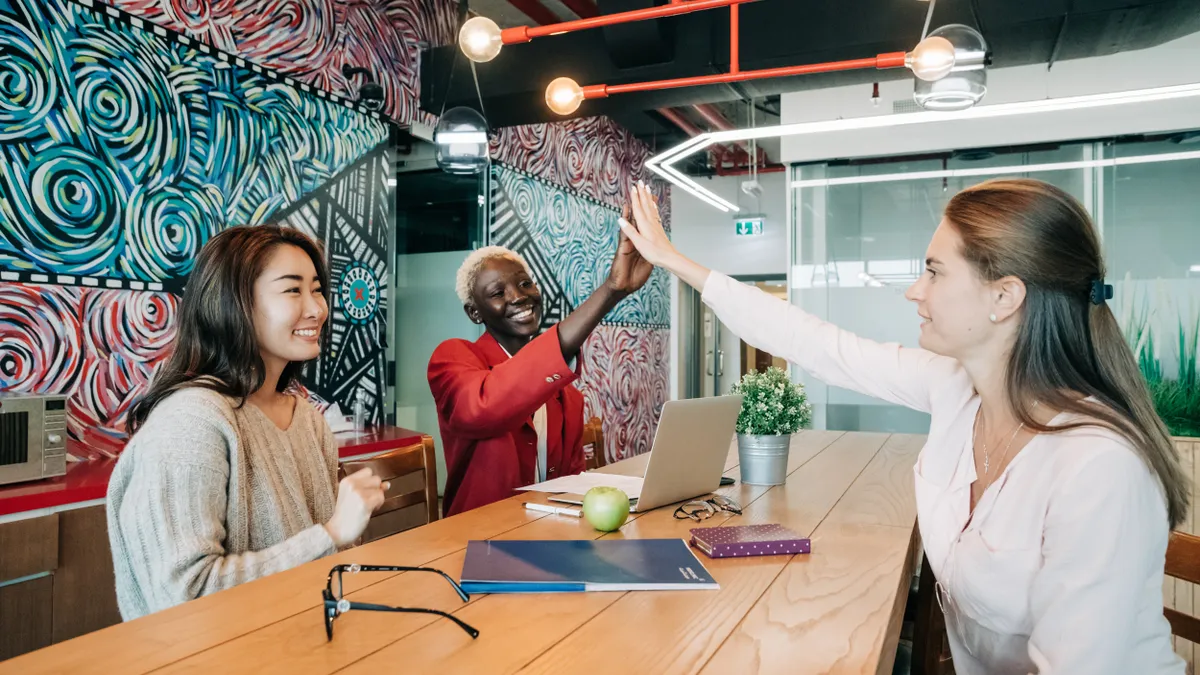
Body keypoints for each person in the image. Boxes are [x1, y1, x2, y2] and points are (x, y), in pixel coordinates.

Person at [618, 178, 1188, 674]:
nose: (915, 290)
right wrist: (675, 262)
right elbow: (820, 346)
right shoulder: (956, 388)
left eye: (935, 272)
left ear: (1004, 296)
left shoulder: (1100, 469)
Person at [107, 225, 387, 620]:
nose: (317, 308)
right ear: (233, 303)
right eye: (293, 290)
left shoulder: (307, 420)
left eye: (317, 289)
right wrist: (332, 534)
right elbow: (184, 597)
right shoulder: (191, 422)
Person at [428, 226, 652, 516]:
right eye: (498, 293)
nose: (519, 297)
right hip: (477, 540)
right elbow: (487, 404)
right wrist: (611, 290)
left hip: (549, 535)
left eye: (524, 284)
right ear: (475, 312)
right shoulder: (452, 358)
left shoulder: (568, 399)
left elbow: (571, 485)